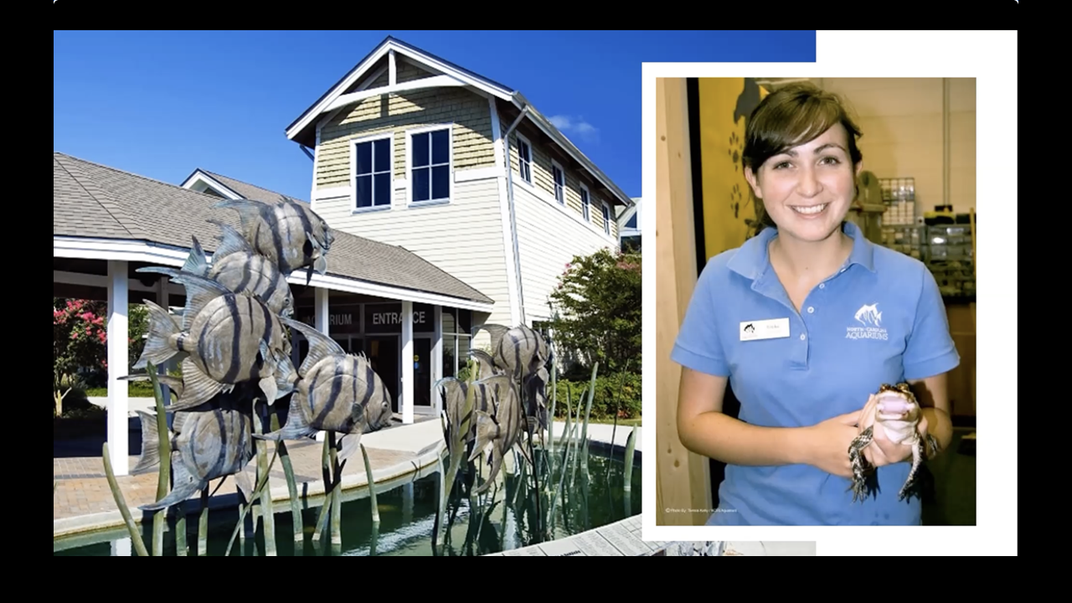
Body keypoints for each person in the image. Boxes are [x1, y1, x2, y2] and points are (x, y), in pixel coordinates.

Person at [670, 82, 959, 526]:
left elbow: (941, 423)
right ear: (754, 179)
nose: (809, 186)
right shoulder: (721, 279)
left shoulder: (909, 282)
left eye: (828, 159)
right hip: (750, 528)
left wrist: (915, 435)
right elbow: (694, 423)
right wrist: (807, 445)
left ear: (855, 169)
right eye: (784, 163)